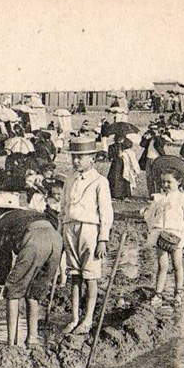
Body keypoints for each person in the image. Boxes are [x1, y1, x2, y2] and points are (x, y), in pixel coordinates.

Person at [59, 136, 113, 335]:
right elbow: (63, 208)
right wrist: (60, 233)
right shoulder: (70, 179)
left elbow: (106, 212)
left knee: (90, 276)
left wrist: (103, 239)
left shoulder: (100, 181)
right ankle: (74, 318)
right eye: (74, 157)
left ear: (92, 158)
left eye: (80, 157)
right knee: (74, 275)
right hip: (70, 227)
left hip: (90, 229)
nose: (76, 161)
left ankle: (88, 319)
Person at [0, 205, 63, 347]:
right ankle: (32, 338)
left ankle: (11, 343)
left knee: (13, 292)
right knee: (34, 293)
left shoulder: (2, 222)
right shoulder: (30, 214)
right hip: (56, 240)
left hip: (34, 241)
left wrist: (1, 284)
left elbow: (3, 257)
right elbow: (55, 222)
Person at [142, 168, 184, 307]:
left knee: (177, 264)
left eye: (169, 182)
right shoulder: (159, 198)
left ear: (179, 182)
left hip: (176, 235)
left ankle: (178, 293)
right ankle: (158, 293)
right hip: (161, 234)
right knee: (162, 265)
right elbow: (150, 216)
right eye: (163, 182)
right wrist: (148, 225)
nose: (165, 185)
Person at [107, 135, 140, 200]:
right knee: (115, 178)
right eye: (118, 138)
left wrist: (123, 144)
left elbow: (130, 145)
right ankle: (114, 194)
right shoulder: (112, 146)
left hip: (124, 163)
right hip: (116, 164)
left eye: (121, 138)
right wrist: (116, 154)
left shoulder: (125, 145)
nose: (119, 140)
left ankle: (125, 195)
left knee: (125, 177)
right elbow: (110, 156)